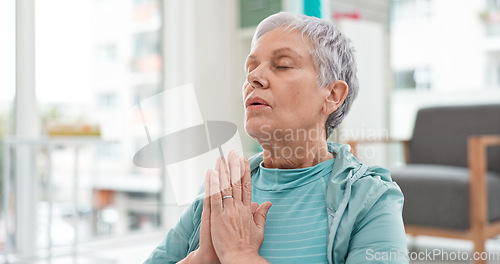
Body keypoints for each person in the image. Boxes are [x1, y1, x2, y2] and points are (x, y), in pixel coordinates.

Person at [144, 12, 408, 264]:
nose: (253, 77)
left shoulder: (370, 199)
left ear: (332, 95)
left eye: (282, 65)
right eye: (251, 67)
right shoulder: (223, 191)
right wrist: (202, 258)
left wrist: (240, 255)